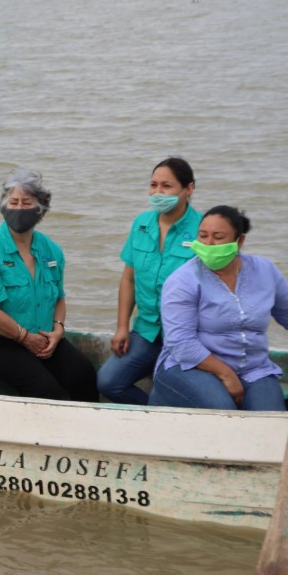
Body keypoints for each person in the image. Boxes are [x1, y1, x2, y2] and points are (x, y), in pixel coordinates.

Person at [0, 169, 98, 402]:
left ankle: (88, 434)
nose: (19, 209)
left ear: (41, 208)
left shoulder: (50, 249)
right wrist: (24, 338)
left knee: (82, 373)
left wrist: (58, 331)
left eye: (26, 202)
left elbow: (59, 298)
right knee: (46, 390)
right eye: (13, 202)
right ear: (3, 206)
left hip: (41, 338)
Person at [150, 206, 288, 411]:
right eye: (203, 235)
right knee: (223, 410)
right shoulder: (182, 280)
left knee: (272, 420)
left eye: (218, 237)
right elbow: (181, 343)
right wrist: (226, 374)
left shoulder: (264, 270)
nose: (208, 243)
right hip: (190, 366)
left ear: (239, 241)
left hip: (254, 369)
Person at [97, 157, 202, 405]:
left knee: (164, 394)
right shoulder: (141, 224)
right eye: (153, 185)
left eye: (167, 186)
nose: (157, 192)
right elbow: (128, 279)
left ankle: (161, 413)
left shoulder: (204, 229)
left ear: (189, 189)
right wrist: (122, 326)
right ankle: (150, 413)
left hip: (186, 334)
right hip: (147, 330)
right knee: (108, 382)